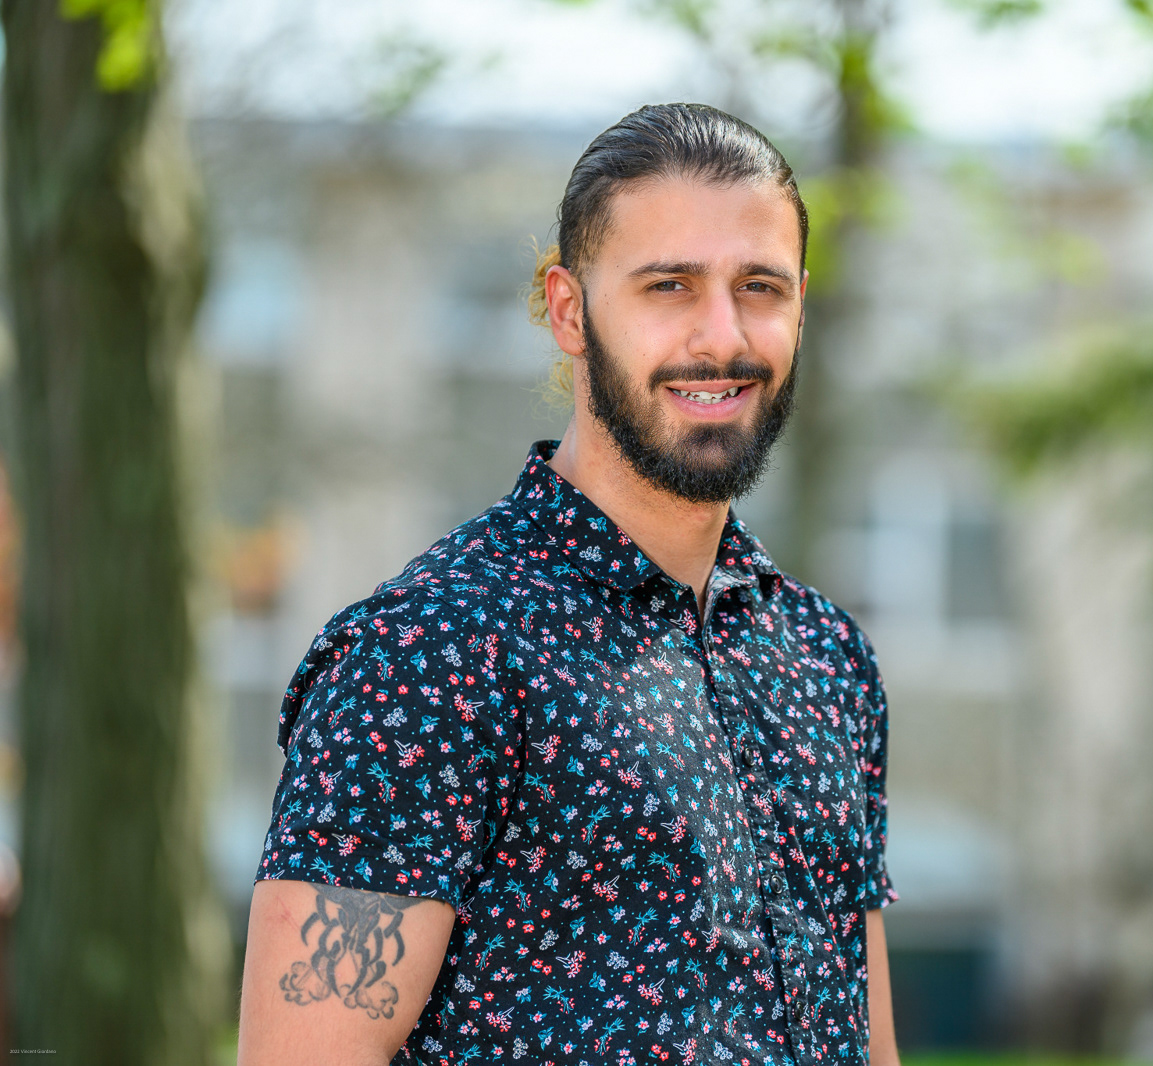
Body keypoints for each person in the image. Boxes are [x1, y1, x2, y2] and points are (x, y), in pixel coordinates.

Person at [236, 103, 899, 1066]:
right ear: (567, 310)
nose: (722, 335)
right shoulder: (431, 652)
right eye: (668, 285)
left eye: (758, 287)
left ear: (800, 303)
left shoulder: (827, 658)